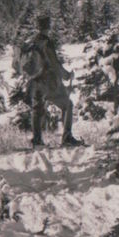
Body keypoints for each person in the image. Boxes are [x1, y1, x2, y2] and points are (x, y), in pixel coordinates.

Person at [20, 14, 83, 148]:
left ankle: (37, 140)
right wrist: (67, 76)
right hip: (47, 82)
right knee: (67, 105)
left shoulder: (32, 42)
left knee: (37, 110)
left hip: (34, 83)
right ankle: (67, 138)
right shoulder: (46, 43)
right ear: (48, 26)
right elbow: (54, 63)